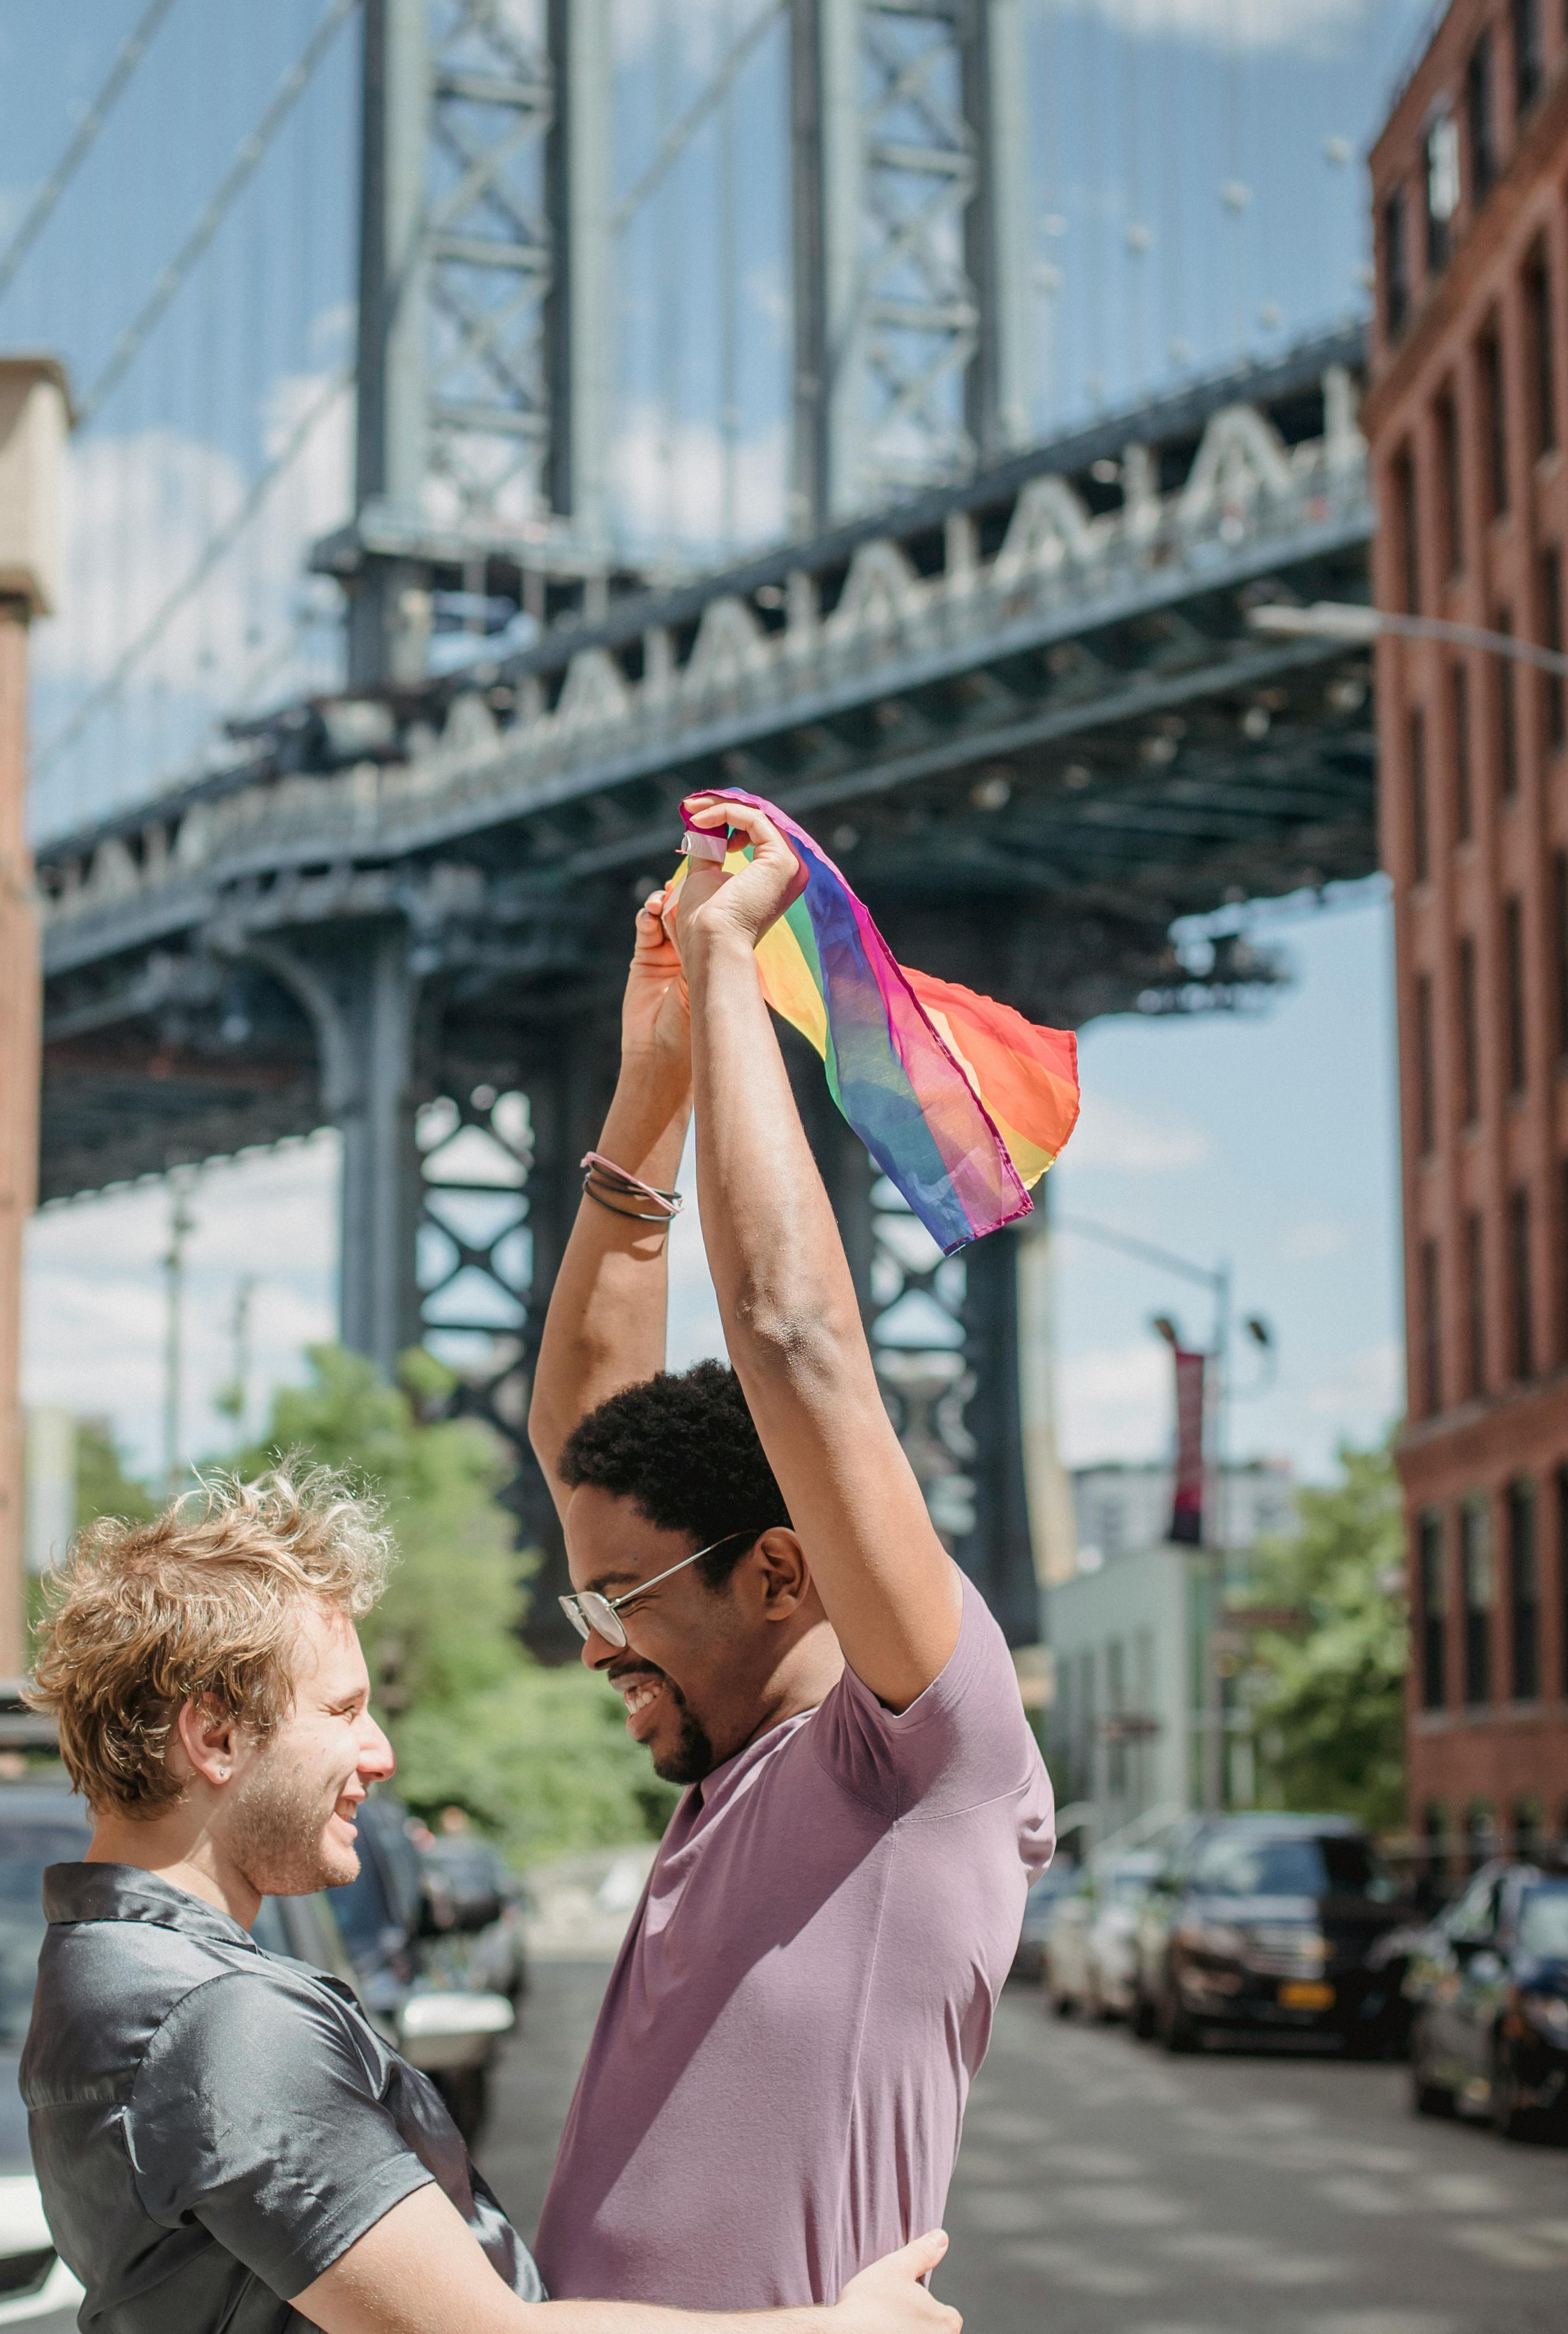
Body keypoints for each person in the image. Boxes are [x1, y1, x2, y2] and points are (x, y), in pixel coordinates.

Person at [20, 1466, 961, 2334]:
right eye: (345, 1712)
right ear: (214, 1738)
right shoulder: (218, 2022)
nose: (382, 1754)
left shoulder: (101, 1967)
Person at [528, 795, 1055, 2313]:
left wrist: (728, 967)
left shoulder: (921, 1757)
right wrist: (652, 1086)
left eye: (617, 1604)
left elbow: (797, 1339)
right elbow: (579, 1422)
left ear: (777, 1574)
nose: (587, 1643)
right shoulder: (721, 1765)